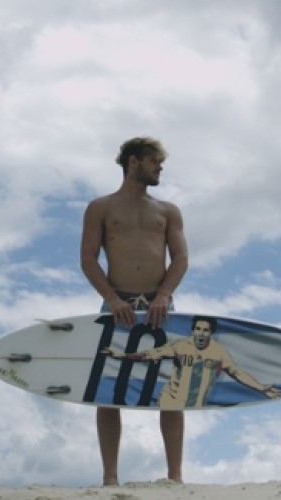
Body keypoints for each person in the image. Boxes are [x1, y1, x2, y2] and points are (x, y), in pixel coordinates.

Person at [80, 137, 189, 485]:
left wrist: (164, 295)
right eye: (154, 161)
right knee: (107, 390)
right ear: (133, 162)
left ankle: (175, 477)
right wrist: (111, 299)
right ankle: (110, 478)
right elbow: (88, 258)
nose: (160, 168)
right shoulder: (100, 207)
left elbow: (181, 258)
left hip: (161, 306)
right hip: (116, 305)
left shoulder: (168, 211)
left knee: (172, 388)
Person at [101, 315, 281, 409]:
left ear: (210, 333)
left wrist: (261, 388)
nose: (201, 333)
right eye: (198, 329)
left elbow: (237, 373)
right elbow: (149, 354)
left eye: (205, 330)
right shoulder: (180, 346)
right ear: (193, 331)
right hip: (169, 401)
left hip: (195, 405)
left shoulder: (219, 352)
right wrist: (122, 356)